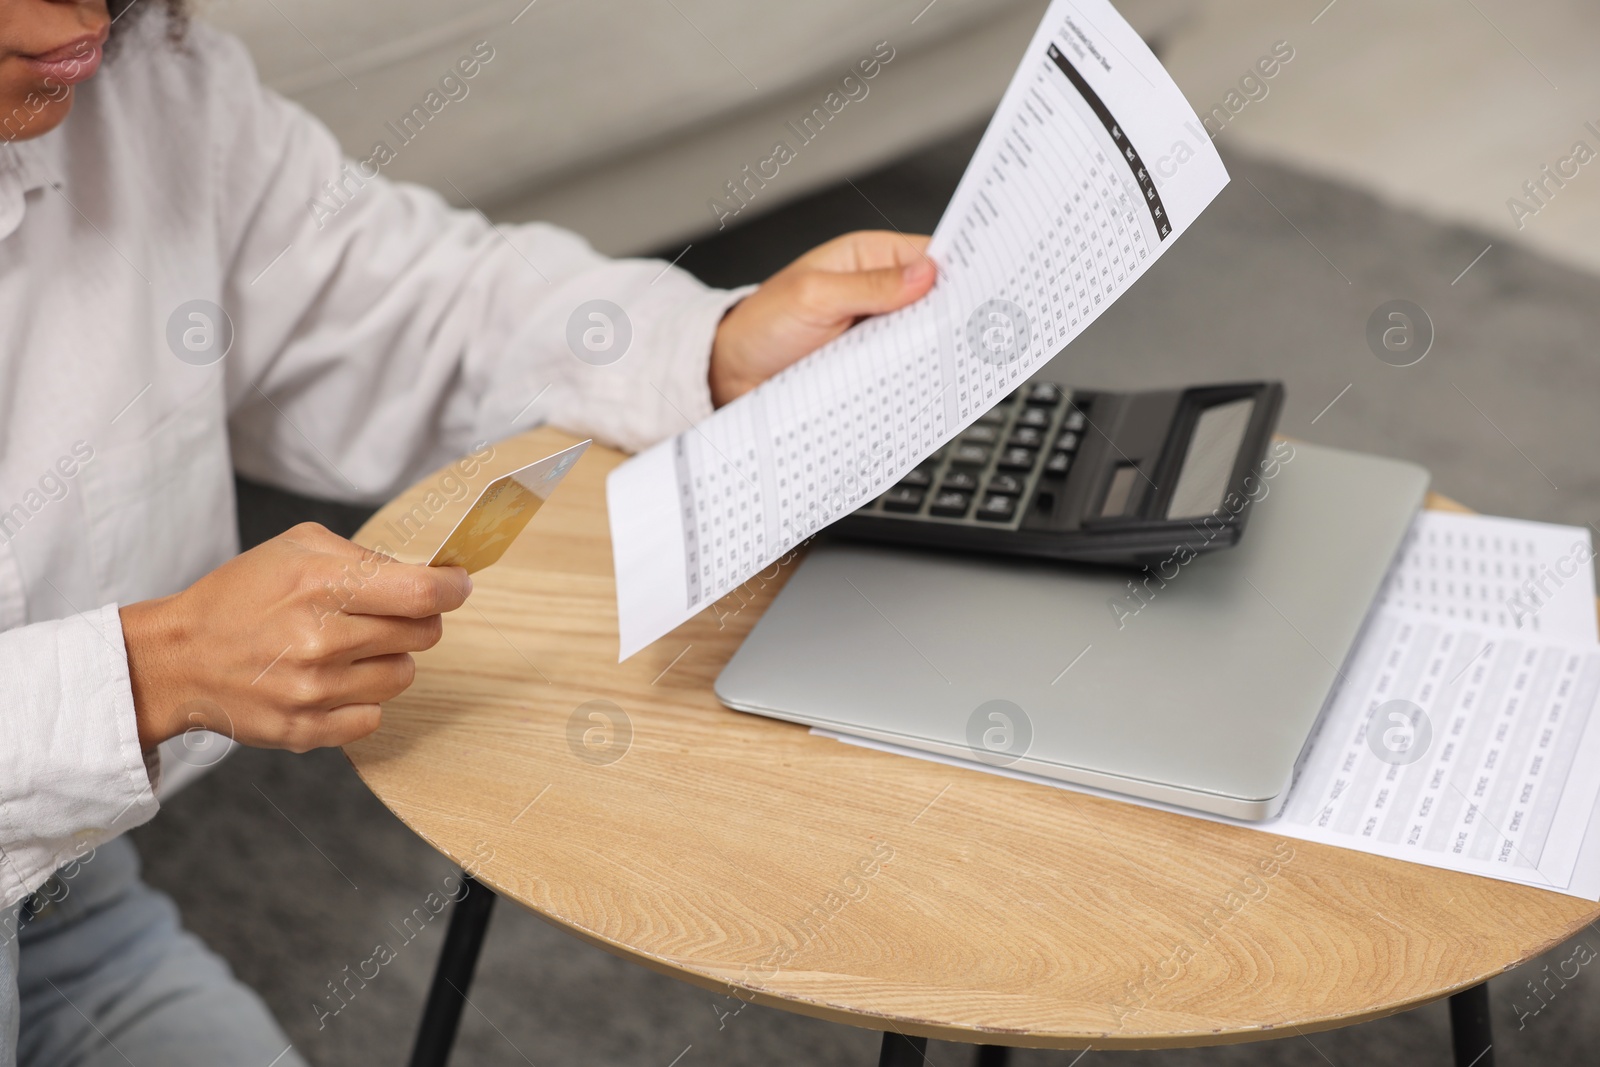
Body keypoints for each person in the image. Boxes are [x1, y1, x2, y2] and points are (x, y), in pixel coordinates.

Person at [0, 0, 938, 1063]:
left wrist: (706, 347)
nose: (80, 11)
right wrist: (148, 672)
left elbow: (404, 300)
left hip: (67, 897)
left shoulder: (145, 80)